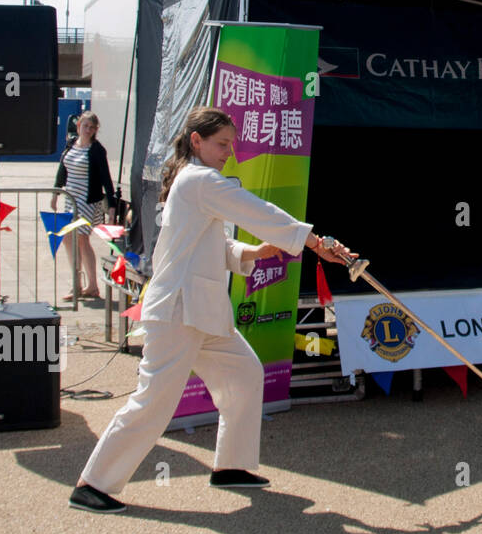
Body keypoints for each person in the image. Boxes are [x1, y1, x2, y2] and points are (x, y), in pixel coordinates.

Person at [69, 106, 356, 512]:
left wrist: (252, 251)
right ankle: (93, 484)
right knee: (154, 402)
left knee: (244, 375)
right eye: (222, 144)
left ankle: (232, 467)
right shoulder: (200, 180)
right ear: (196, 141)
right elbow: (256, 210)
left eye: (231, 145)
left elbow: (212, 244)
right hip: (178, 311)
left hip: (202, 311)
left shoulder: (196, 183)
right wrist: (311, 241)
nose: (228, 152)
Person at [49, 111, 115, 301]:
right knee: (68, 239)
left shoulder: (96, 150)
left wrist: (111, 206)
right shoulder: (71, 145)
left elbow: (105, 179)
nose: (87, 130)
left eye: (91, 127)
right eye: (85, 126)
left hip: (87, 200)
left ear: (95, 130)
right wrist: (55, 194)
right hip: (70, 198)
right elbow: (62, 170)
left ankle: (92, 285)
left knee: (82, 239)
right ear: (78, 126)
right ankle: (76, 283)